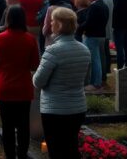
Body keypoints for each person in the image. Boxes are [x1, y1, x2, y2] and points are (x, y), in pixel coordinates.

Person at [33, 8, 90, 159]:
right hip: (77, 107)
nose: (50, 24)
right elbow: (86, 79)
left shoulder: (53, 51)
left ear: (59, 25)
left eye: (52, 21)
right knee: (71, 147)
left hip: (55, 109)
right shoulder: (84, 49)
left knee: (56, 149)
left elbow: (38, 81)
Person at [0, 6, 40, 159]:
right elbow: (34, 65)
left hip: (5, 86)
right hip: (23, 87)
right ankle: (22, 155)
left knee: (7, 126)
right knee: (23, 125)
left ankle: (10, 155)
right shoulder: (30, 39)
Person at [78, 0, 108, 90]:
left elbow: (89, 22)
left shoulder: (94, 6)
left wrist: (78, 28)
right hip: (100, 35)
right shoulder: (103, 5)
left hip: (92, 36)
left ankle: (95, 83)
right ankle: (97, 81)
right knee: (98, 59)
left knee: (95, 60)